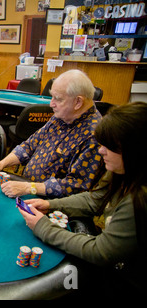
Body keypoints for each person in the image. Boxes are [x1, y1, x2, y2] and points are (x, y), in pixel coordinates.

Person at [17, 102, 147, 295]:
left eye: (109, 147)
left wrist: (43, 227)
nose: (101, 151)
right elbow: (94, 200)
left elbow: (100, 252)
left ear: (134, 151)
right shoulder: (122, 170)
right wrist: (50, 204)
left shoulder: (138, 199)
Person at [0, 69, 103, 198]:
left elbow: (75, 185)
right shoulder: (61, 117)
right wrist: (2, 163)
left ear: (78, 102)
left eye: (58, 99)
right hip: (30, 188)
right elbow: (29, 145)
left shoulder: (94, 135)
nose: (51, 104)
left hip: (51, 202)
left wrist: (29, 188)